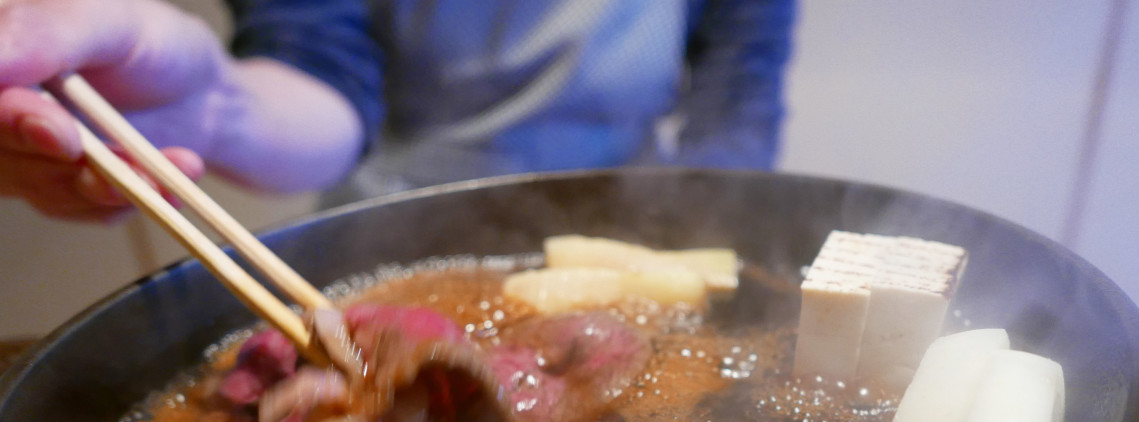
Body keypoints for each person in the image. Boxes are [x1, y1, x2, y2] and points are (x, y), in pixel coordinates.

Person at [0, 0, 795, 222]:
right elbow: (322, 77)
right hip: (399, 219)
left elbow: (739, 87)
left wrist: (704, 230)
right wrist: (214, 110)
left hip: (633, 209)